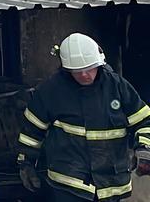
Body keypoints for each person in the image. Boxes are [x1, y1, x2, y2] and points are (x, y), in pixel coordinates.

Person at [17, 32, 150, 200]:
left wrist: (145, 150)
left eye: (89, 69)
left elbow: (144, 120)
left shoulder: (117, 87)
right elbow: (32, 130)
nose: (84, 75)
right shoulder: (51, 91)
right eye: (77, 71)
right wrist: (26, 163)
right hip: (69, 184)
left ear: (99, 64)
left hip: (111, 183)